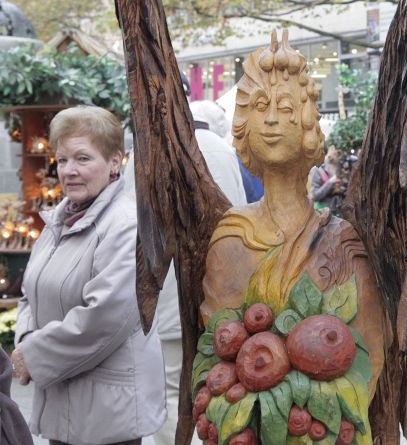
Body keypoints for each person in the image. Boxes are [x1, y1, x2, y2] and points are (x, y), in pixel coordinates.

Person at [11, 106, 166, 445]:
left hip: (108, 412)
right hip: (64, 403)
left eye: (83, 158)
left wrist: (33, 355)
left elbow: (103, 319)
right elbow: (28, 294)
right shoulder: (58, 221)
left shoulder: (126, 225)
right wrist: (25, 340)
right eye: (63, 159)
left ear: (115, 162)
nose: (69, 171)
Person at [128, 100, 247, 445]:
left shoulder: (151, 148)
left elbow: (134, 225)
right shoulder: (224, 150)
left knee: (169, 389)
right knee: (220, 383)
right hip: (225, 291)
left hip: (167, 293)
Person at [310, 145, 345, 215]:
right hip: (323, 211)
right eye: (335, 152)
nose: (338, 155)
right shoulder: (317, 169)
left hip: (337, 210)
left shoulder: (337, 166)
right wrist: (330, 182)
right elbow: (315, 196)